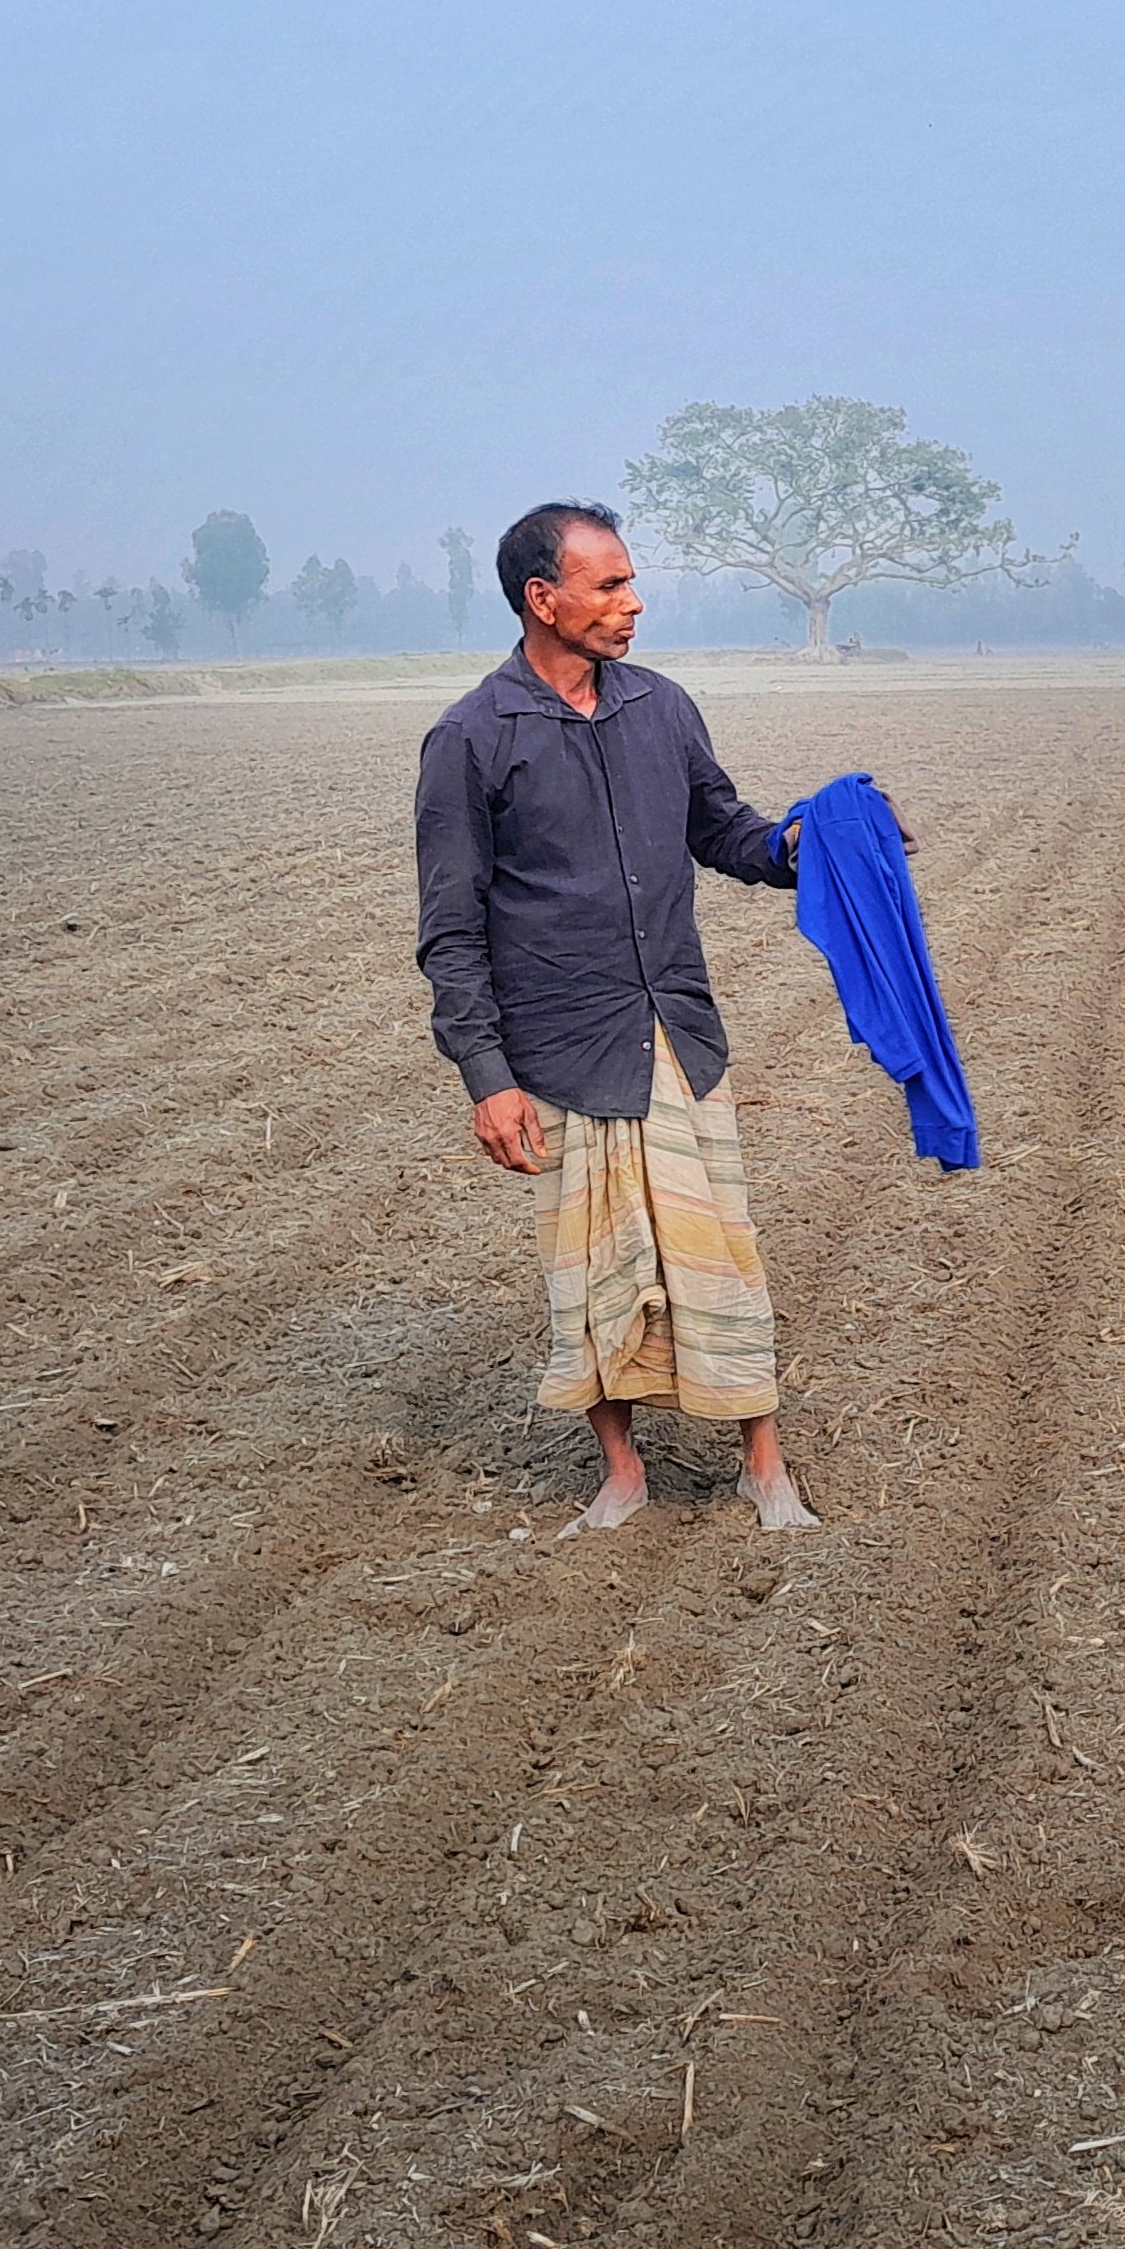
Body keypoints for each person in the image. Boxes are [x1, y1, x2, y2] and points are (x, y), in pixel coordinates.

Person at [414, 501, 821, 1535]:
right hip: (559, 1047)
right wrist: (486, 1076)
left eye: (631, 582)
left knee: (718, 1253)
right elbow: (450, 930)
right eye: (607, 586)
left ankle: (762, 1465)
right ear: (542, 600)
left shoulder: (662, 707)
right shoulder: (470, 739)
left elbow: (722, 830)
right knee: (593, 1274)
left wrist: (809, 846)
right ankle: (622, 1471)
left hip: (673, 1033)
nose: (632, 604)